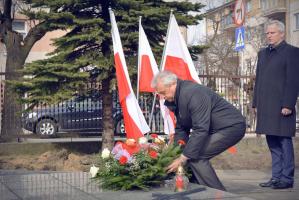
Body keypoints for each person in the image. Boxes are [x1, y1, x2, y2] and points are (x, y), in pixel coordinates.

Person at [151, 70, 246, 191]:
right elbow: (181, 128)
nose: (163, 97)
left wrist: (183, 157)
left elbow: (200, 129)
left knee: (196, 156)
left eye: (163, 92)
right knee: (191, 154)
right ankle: (199, 190)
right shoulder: (177, 98)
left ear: (172, 84)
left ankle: (218, 195)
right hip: (215, 129)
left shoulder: (193, 93)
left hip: (231, 126)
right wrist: (175, 152)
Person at [253, 20, 299, 190]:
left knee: (284, 143)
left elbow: (293, 81)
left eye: (272, 33)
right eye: (267, 33)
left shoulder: (292, 52)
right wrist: (255, 103)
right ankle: (276, 177)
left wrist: (288, 104)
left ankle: (286, 179)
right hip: (266, 106)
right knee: (272, 143)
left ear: (282, 33)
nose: (269, 36)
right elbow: (259, 80)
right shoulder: (262, 53)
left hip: (282, 106)